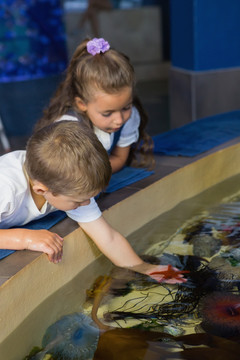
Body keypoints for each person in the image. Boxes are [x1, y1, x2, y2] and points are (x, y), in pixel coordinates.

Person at [0, 121, 185, 284]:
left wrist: (144, 267)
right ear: (41, 190)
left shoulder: (68, 183)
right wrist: (24, 238)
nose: (86, 204)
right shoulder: (7, 189)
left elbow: (108, 237)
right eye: (79, 201)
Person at [35, 37, 154, 174]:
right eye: (107, 113)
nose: (119, 120)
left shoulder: (129, 117)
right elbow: (67, 174)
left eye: (126, 107)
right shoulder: (69, 129)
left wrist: (93, 175)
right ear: (81, 104)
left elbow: (119, 158)